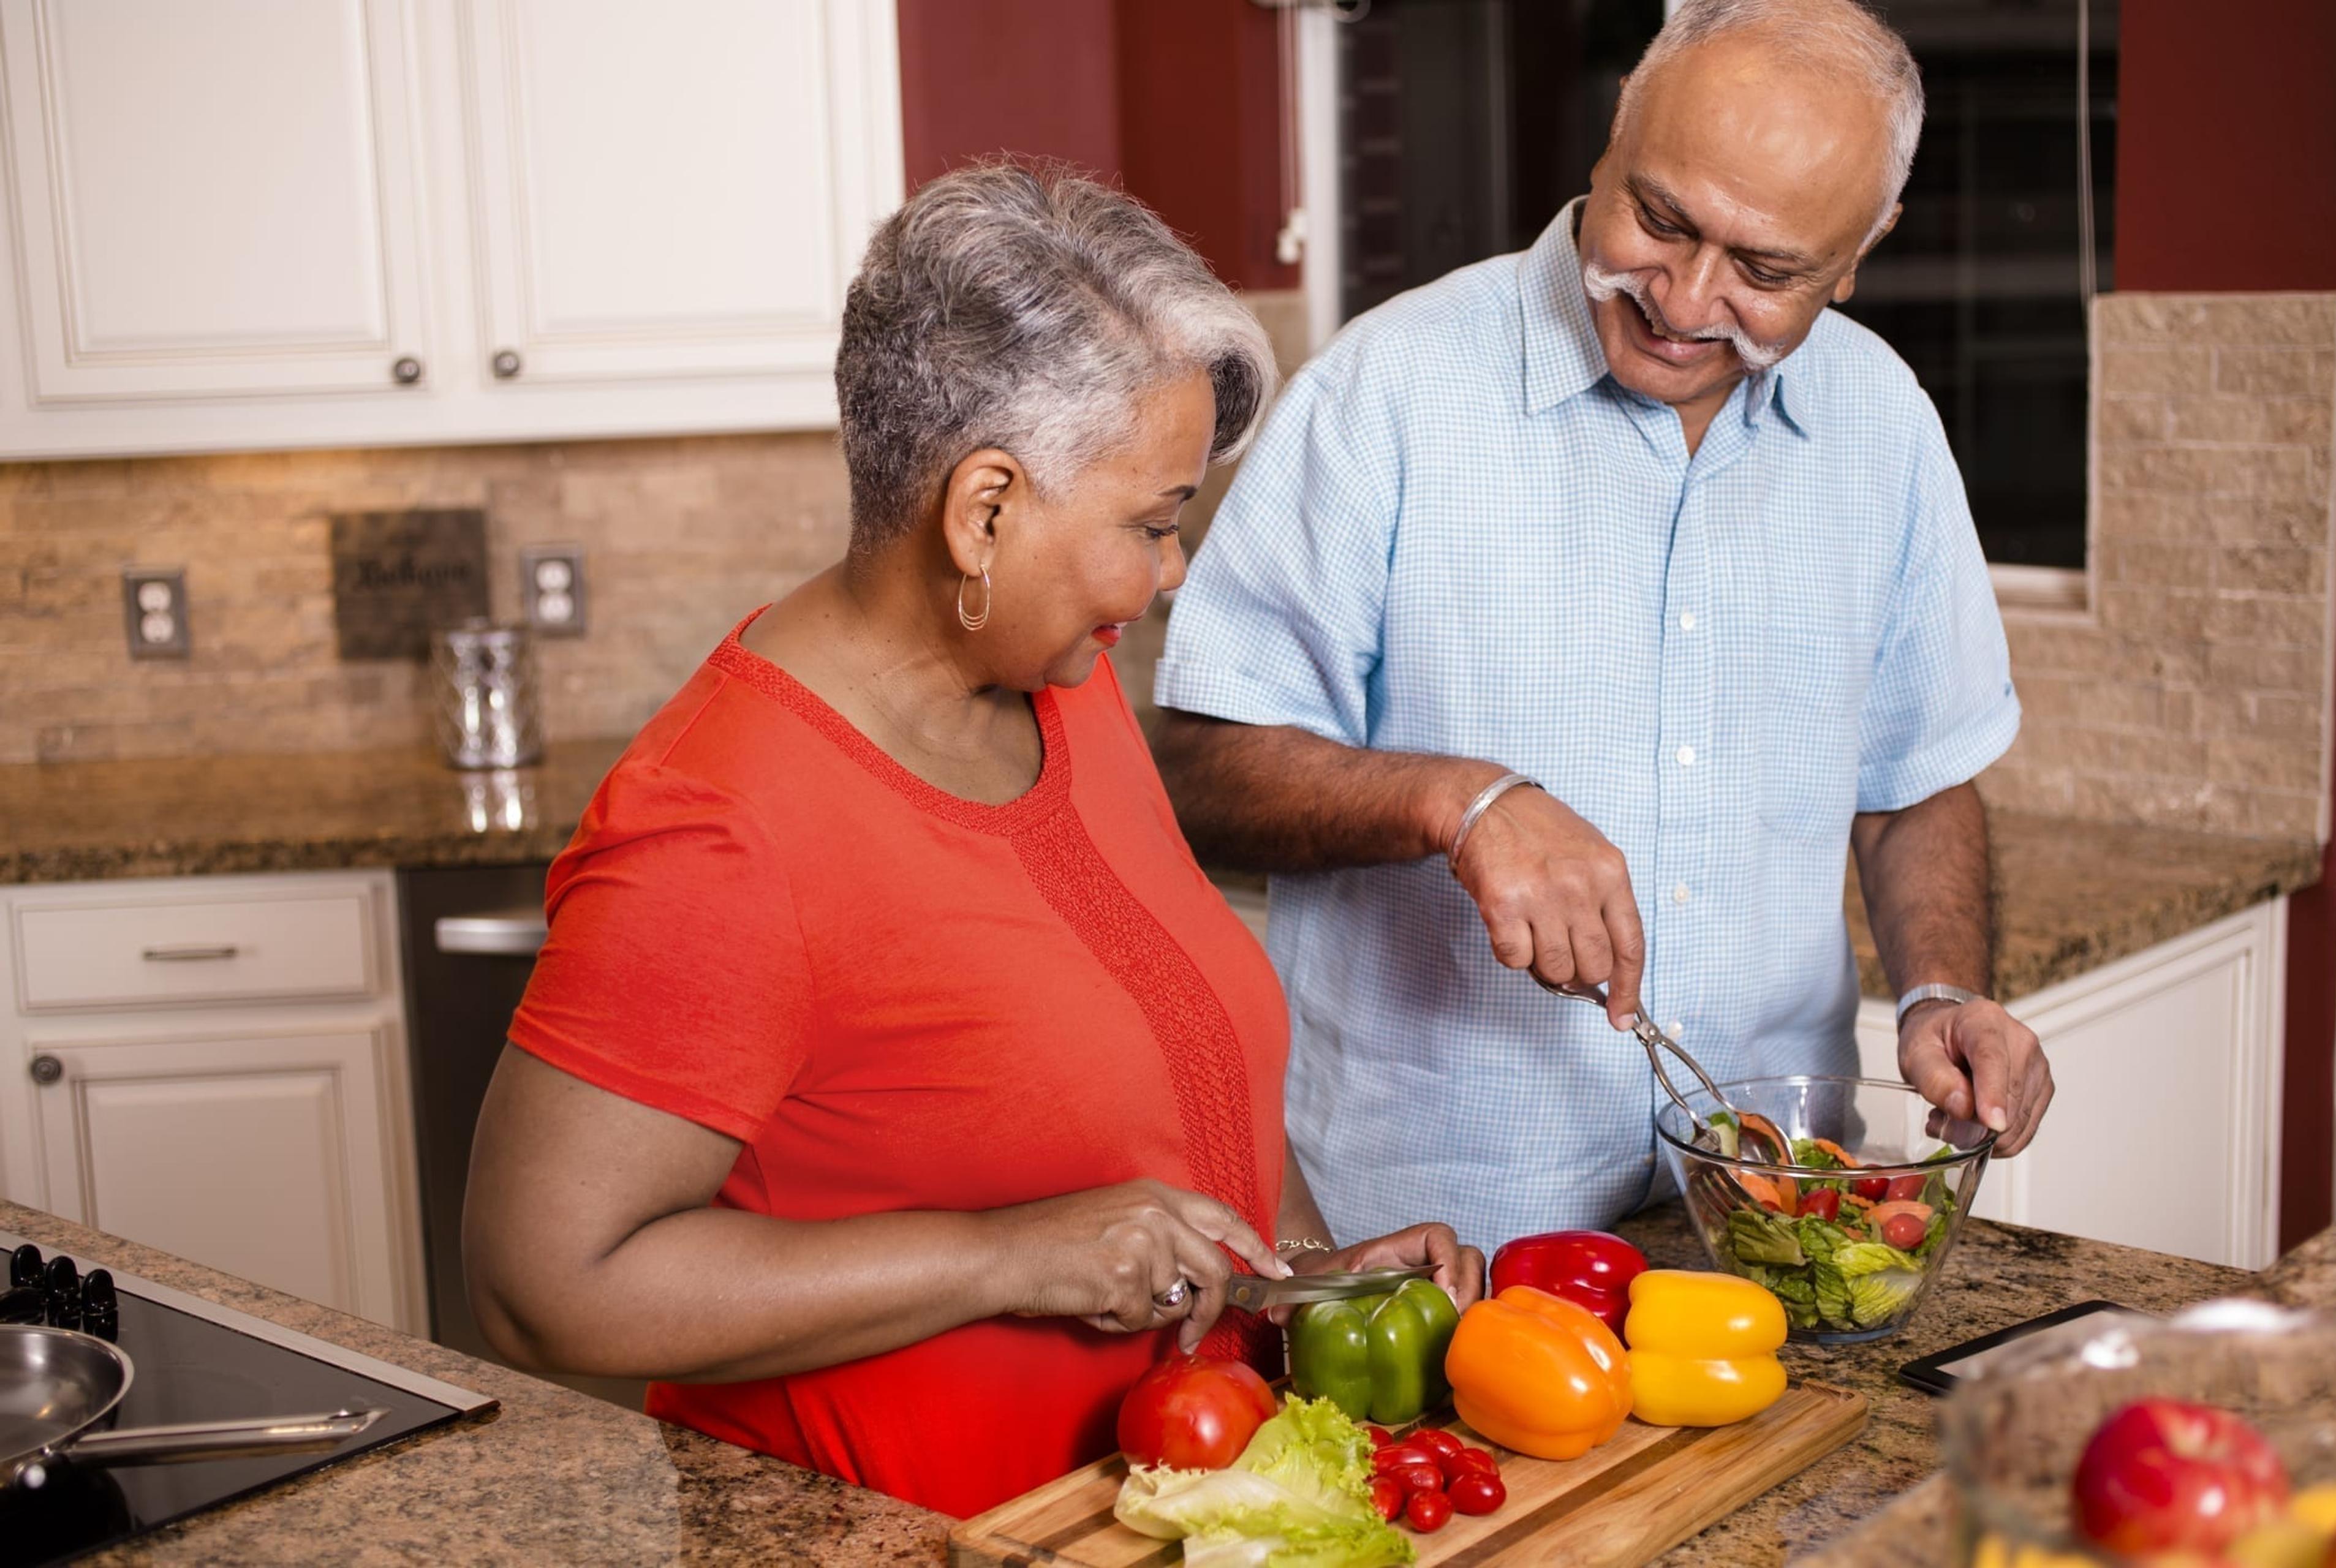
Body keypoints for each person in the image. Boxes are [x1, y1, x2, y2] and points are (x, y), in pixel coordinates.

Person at [460, 162, 1480, 1520]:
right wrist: (1003, 1258)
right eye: (1154, 520)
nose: (1170, 571)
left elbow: (1175, 1073)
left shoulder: (1063, 682)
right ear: (985, 510)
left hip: (1141, 1514)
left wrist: (1308, 1271)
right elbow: (544, 1286)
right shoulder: (723, 824)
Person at [1150, 0, 2056, 1256]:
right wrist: (1457, 801)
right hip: (1426, 1235)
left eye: (1766, 269)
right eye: (1662, 219)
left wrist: (1944, 993)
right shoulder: (1387, 392)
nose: (1684, 299)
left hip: (1764, 1219)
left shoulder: (1885, 424)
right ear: (1609, 145)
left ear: (1858, 255)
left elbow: (1914, 785)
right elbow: (1194, 771)